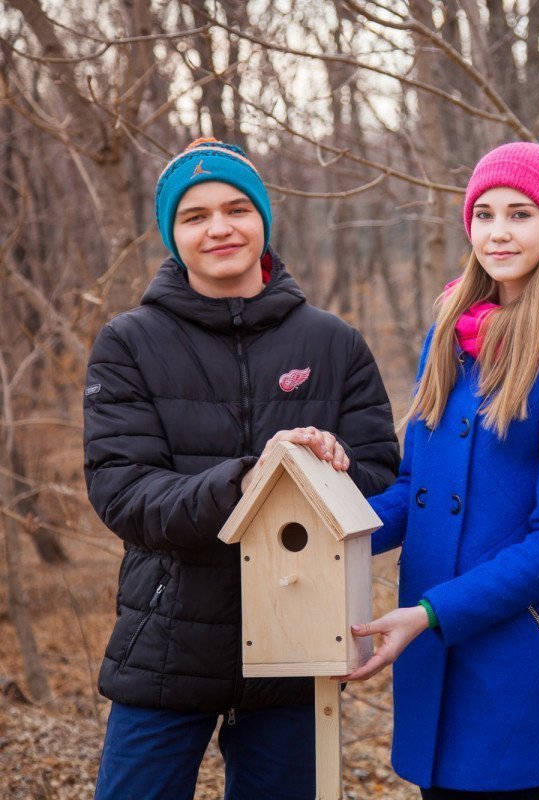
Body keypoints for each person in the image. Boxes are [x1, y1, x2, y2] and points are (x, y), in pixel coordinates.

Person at [83, 138, 400, 799]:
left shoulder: (332, 342)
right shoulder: (129, 343)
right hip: (166, 646)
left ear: (263, 220)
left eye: (236, 208)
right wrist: (245, 482)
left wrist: (327, 471)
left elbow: (378, 474)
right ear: (173, 235)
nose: (219, 227)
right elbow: (123, 492)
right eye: (194, 216)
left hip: (298, 647)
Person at [341, 142, 539, 799]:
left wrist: (431, 613)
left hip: (516, 665)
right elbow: (415, 491)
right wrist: (335, 529)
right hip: (432, 659)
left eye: (520, 214)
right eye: (485, 213)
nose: (498, 232)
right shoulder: (446, 337)